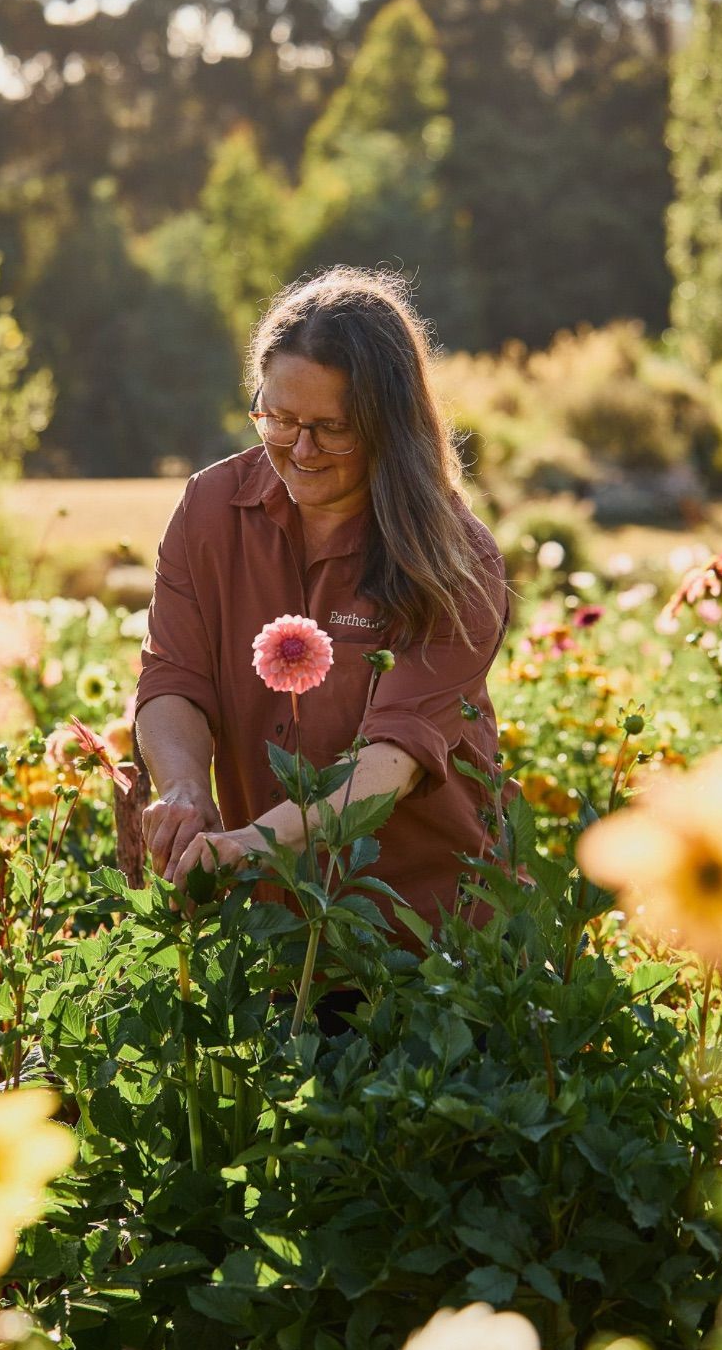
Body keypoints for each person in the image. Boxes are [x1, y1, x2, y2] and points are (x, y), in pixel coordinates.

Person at [134, 266, 512, 946]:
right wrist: (185, 787)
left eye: (331, 428)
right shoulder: (210, 510)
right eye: (278, 418)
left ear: (389, 428)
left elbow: (386, 769)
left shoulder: (456, 561)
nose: (299, 450)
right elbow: (171, 679)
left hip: (422, 938)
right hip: (274, 926)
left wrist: (248, 843)